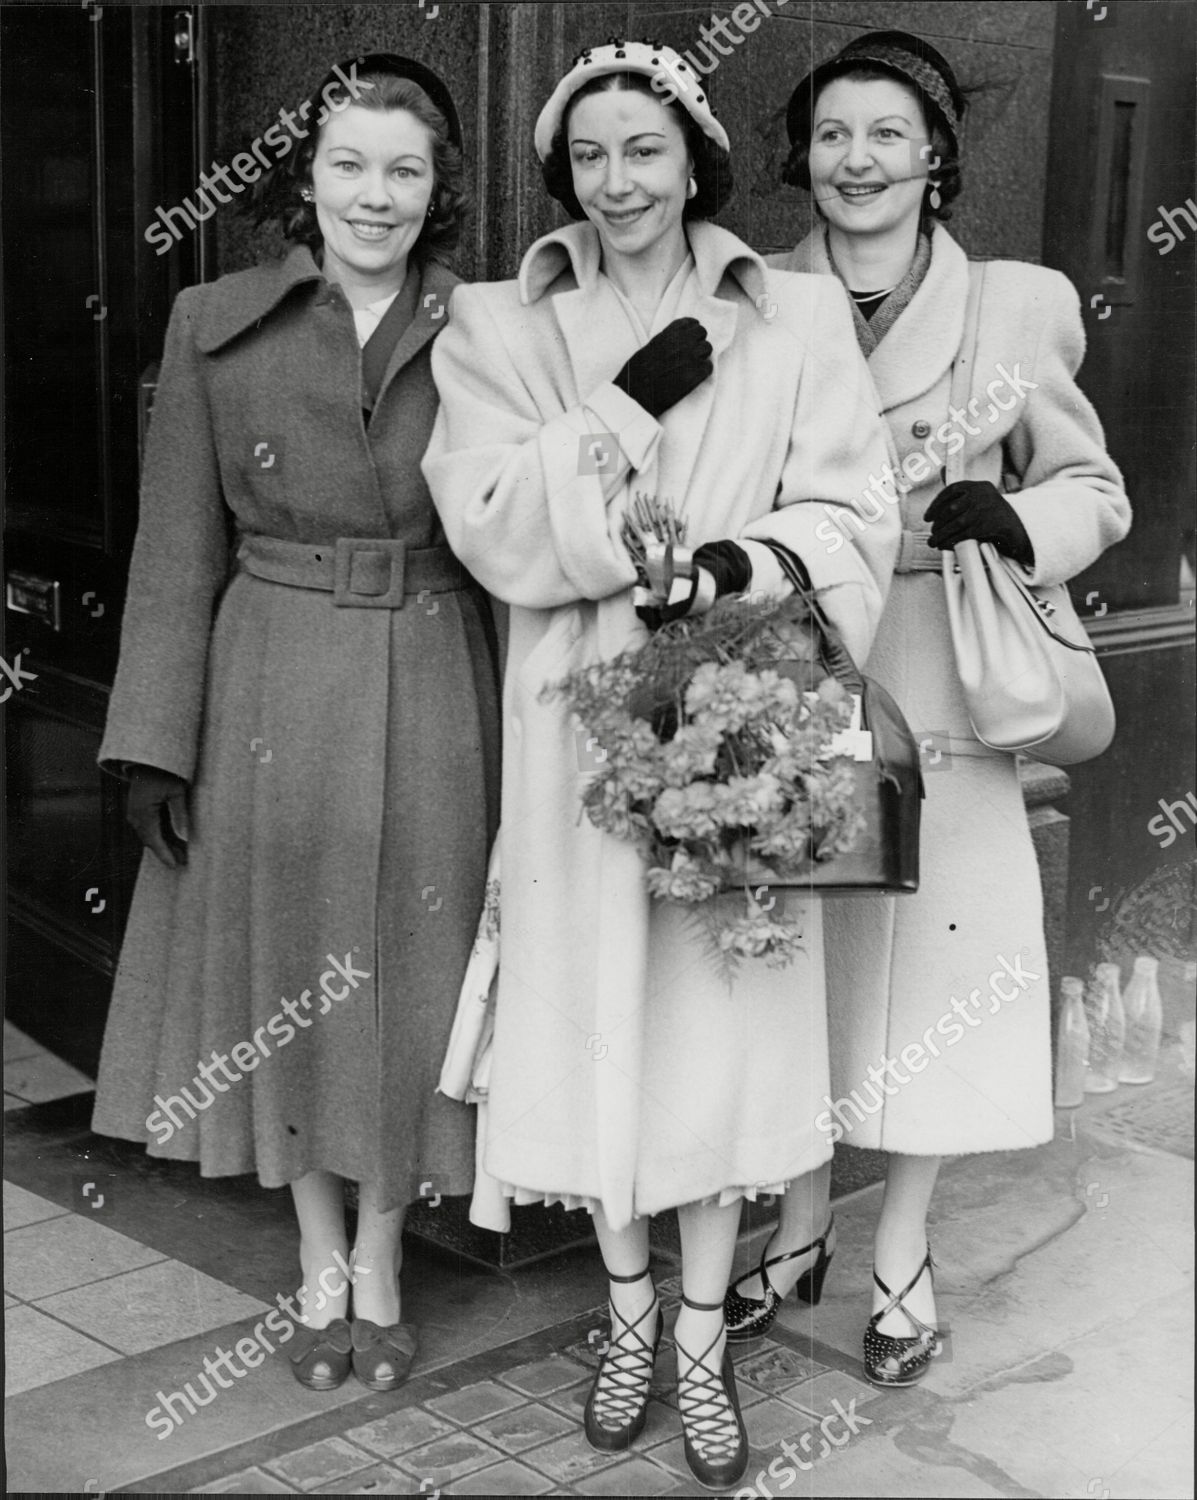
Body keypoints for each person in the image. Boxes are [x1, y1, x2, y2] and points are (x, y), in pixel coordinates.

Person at [423, 38, 897, 1490]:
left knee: (720, 1033)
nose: (617, 180)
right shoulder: (498, 322)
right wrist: (628, 401)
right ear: (559, 175)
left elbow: (854, 509)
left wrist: (729, 569)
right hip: (572, 733)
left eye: (645, 149)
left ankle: (701, 1335)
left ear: (695, 157)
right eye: (588, 155)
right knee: (593, 1028)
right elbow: (490, 520)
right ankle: (623, 1317)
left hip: (741, 721)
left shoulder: (796, 311)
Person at [724, 29, 1131, 1387]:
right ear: (800, 155)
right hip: (789, 657)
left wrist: (1010, 516)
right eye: (832, 136)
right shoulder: (748, 293)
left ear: (935, 156)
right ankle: (792, 1226)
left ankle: (897, 1245)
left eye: (887, 135)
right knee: (786, 960)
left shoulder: (1013, 307)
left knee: (938, 974)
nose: (856, 161)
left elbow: (1097, 492)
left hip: (944, 663)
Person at [91, 54, 499, 1396]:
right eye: (348, 165)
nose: (373, 195)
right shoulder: (212, 318)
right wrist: (156, 738)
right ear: (303, 181)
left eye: (403, 170)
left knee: (409, 981)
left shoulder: (490, 330)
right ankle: (319, 1266)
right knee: (293, 981)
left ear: (437, 191)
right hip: (268, 679)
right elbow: (172, 550)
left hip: (438, 672)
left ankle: (382, 1265)